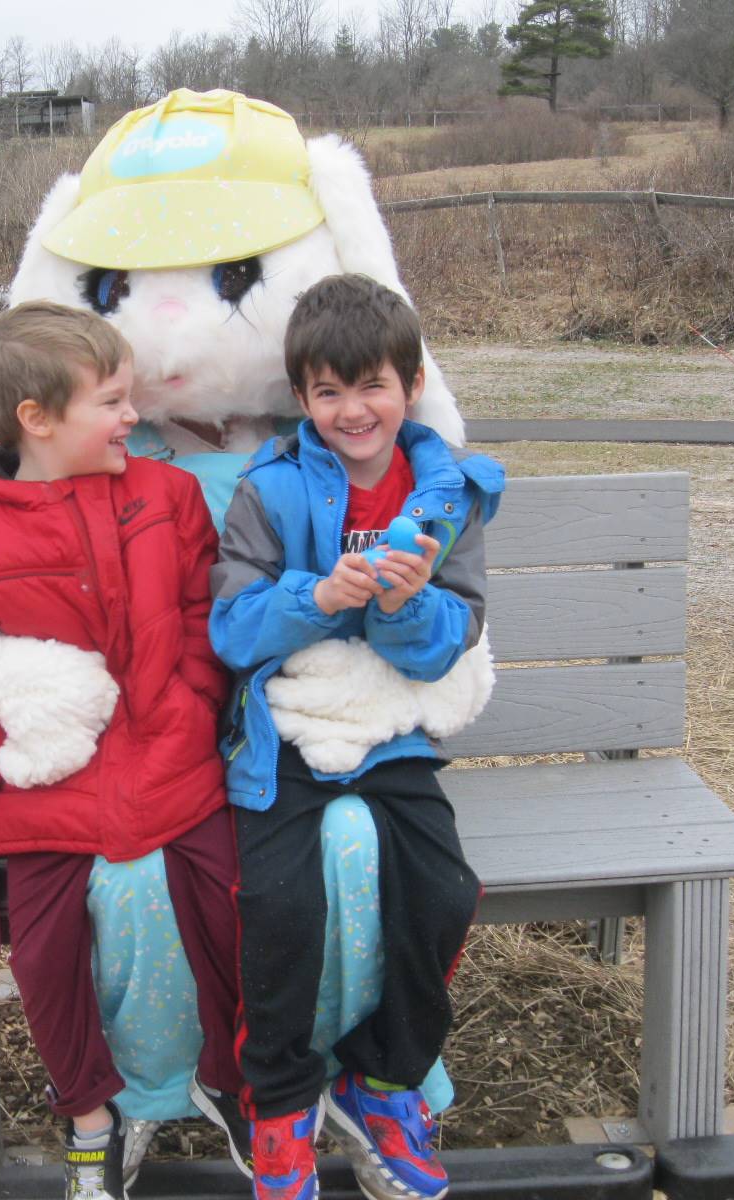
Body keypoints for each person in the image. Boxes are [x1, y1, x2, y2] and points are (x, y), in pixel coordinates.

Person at [0, 301, 248, 1200]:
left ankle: (232, 1082)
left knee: (231, 908)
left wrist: (197, 699)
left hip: (172, 761)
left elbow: (205, 610)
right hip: (45, 792)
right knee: (45, 953)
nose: (135, 417)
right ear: (36, 420)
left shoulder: (165, 498)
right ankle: (91, 1113)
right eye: (113, 402)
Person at [209, 275, 504, 1200]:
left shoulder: (447, 495)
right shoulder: (272, 489)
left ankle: (383, 1083)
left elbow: (455, 634)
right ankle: (284, 1104)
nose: (352, 410)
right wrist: (318, 596)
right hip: (288, 736)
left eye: (371, 385)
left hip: (393, 734)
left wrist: (402, 610)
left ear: (410, 385)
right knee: (282, 907)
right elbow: (232, 629)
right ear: (301, 399)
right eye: (328, 392)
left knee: (447, 891)